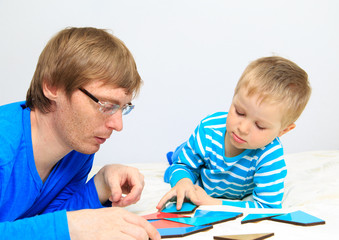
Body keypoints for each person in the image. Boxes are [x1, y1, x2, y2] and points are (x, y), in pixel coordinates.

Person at [0, 27, 160, 240]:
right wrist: (71, 227)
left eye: (123, 108)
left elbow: (45, 221)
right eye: (105, 104)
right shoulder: (5, 144)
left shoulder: (78, 150)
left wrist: (100, 184)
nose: (118, 125)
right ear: (52, 86)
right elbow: (64, 226)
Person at [157, 56, 311, 210]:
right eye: (239, 112)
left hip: (223, 193)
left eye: (260, 126)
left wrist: (212, 202)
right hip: (203, 150)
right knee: (177, 158)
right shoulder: (209, 130)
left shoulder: (270, 156)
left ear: (283, 131)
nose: (242, 128)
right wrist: (183, 181)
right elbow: (182, 167)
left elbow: (267, 206)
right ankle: (177, 152)